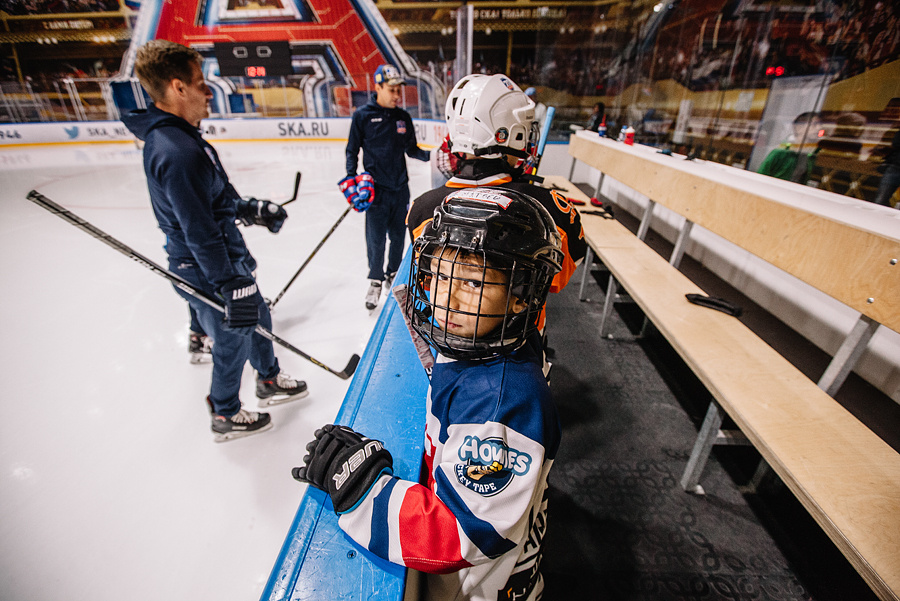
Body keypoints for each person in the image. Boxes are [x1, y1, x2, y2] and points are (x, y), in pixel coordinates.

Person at [293, 187, 565, 600]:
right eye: (439, 276)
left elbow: (461, 535)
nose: (446, 299)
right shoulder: (491, 344)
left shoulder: (503, 403)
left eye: (473, 283)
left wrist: (365, 491)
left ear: (520, 296)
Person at [122, 40, 307, 442]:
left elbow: (215, 203)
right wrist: (229, 283)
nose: (209, 92)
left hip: (220, 258)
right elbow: (198, 229)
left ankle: (269, 380)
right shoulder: (177, 151)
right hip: (205, 268)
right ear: (178, 87)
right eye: (201, 82)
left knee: (257, 315)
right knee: (232, 335)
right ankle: (225, 412)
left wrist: (253, 209)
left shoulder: (183, 139)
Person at [407, 73, 586, 350]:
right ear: (512, 133)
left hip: (447, 342)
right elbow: (555, 281)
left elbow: (429, 283)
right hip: (521, 349)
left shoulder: (422, 209)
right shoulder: (552, 209)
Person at [344, 63, 430, 311]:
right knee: (376, 239)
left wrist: (434, 158)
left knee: (398, 236)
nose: (396, 95)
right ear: (378, 86)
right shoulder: (363, 116)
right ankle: (375, 280)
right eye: (391, 90)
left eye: (398, 91)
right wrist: (351, 179)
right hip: (376, 192)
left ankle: (393, 273)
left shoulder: (403, 117)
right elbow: (352, 150)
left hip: (400, 188)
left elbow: (412, 150)